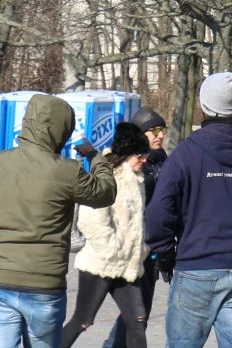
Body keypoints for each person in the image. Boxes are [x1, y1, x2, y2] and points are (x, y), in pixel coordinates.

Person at [0, 93, 116, 348]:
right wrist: (95, 157)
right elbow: (106, 192)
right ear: (61, 130)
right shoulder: (67, 170)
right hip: (44, 283)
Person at [144, 72, 232, 348]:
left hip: (197, 266)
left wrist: (164, 254)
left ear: (204, 105)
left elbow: (157, 215)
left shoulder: (185, 155)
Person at [60, 124, 152, 348]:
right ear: (127, 154)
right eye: (140, 155)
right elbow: (91, 221)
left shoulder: (137, 178)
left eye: (146, 155)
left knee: (138, 321)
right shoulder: (108, 175)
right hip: (101, 263)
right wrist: (113, 249)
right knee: (82, 320)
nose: (144, 160)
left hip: (127, 265)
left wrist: (139, 250)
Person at [102, 108, 169, 348]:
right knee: (137, 312)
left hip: (152, 249)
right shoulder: (127, 164)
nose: (160, 136)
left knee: (141, 311)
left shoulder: (163, 160)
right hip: (131, 249)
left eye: (162, 130)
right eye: (154, 131)